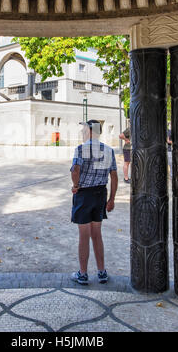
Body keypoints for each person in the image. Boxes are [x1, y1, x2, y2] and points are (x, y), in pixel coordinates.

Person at [70, 120, 118, 285]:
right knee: (97, 234)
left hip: (84, 195)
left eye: (84, 130)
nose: (82, 133)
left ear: (91, 131)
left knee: (84, 235)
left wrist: (75, 185)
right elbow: (114, 176)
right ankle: (102, 272)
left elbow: (75, 170)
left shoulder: (81, 149)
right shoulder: (109, 150)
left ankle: (83, 274)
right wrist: (111, 199)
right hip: (100, 194)